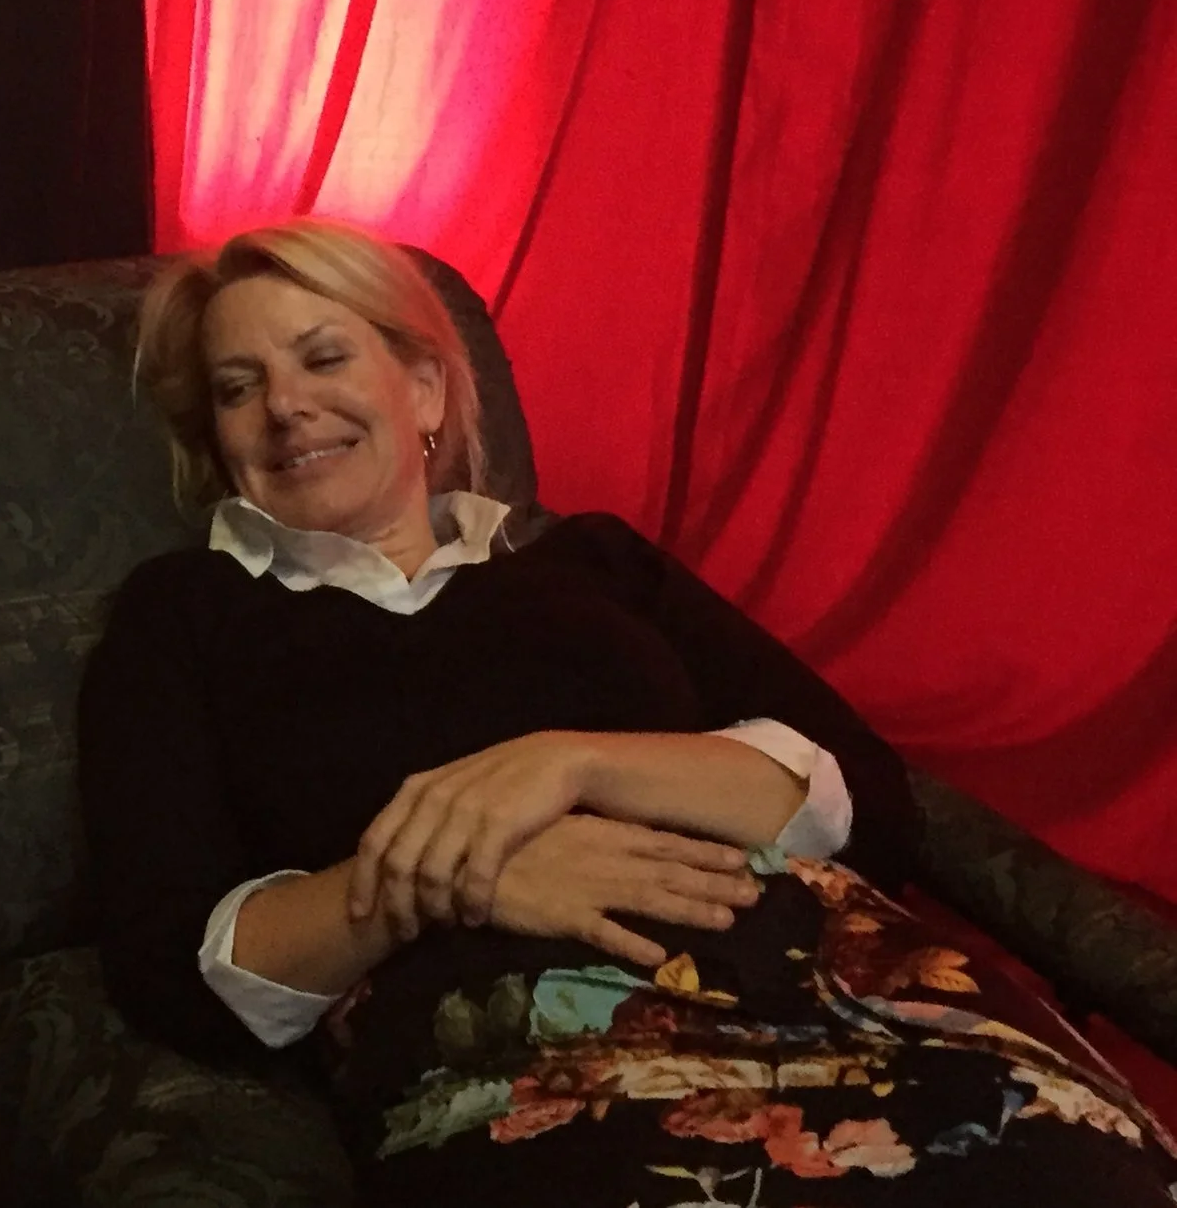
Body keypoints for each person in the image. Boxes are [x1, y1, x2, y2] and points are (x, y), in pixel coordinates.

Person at [79, 218, 1174, 1205]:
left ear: (421, 390)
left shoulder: (592, 562)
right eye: (236, 386)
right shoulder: (186, 617)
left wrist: (571, 766)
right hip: (523, 1049)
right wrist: (450, 882)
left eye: (323, 357)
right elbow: (173, 962)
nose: (283, 405)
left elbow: (862, 793)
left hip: (843, 974)